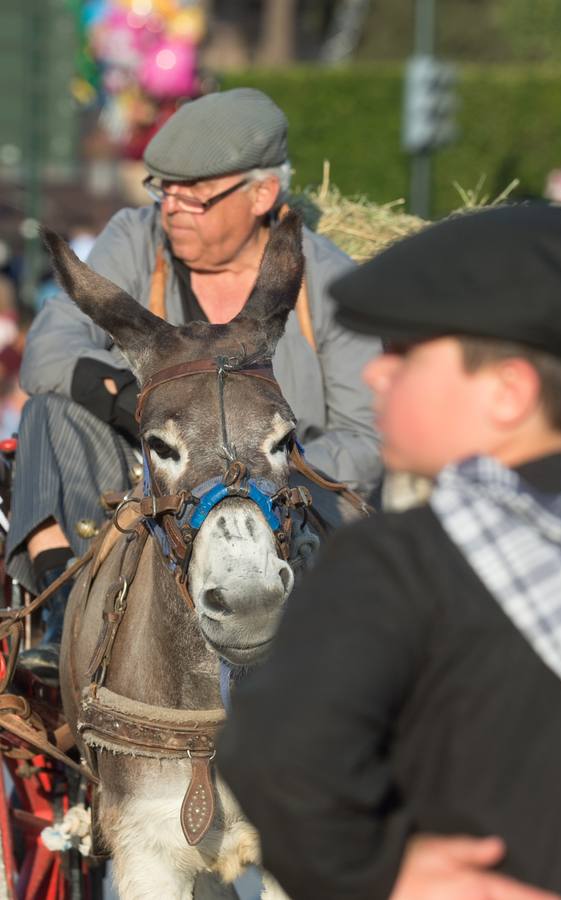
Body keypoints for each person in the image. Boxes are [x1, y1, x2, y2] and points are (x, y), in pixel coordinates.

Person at [217, 203, 561, 900]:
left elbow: (274, 756)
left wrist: (386, 871)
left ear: (509, 392)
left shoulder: (400, 565)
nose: (375, 377)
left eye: (408, 357)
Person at [7, 88, 382, 675]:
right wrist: (156, 409)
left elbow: (368, 437)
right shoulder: (138, 239)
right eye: (163, 189)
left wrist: (263, 470)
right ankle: (61, 613)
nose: (170, 208)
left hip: (288, 505)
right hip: (147, 481)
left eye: (195, 196)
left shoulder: (328, 282)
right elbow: (49, 353)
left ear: (262, 194)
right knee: (46, 411)